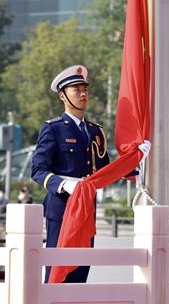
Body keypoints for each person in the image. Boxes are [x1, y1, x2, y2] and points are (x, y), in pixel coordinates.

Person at [31, 65, 112, 284]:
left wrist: (136, 159)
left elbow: (105, 170)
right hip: (62, 208)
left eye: (85, 89)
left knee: (81, 271)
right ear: (63, 96)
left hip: (86, 210)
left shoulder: (95, 131)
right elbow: (38, 170)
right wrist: (64, 184)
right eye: (77, 90)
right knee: (58, 271)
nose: (83, 94)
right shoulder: (53, 129)